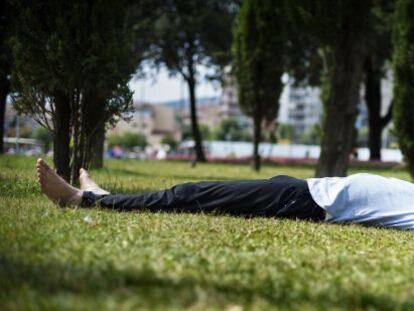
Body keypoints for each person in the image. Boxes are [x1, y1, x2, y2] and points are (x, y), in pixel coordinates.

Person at [36, 158, 414, 230]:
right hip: (306, 190)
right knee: (196, 192)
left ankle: (82, 199)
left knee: (190, 193)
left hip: (306, 202)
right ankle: (106, 196)